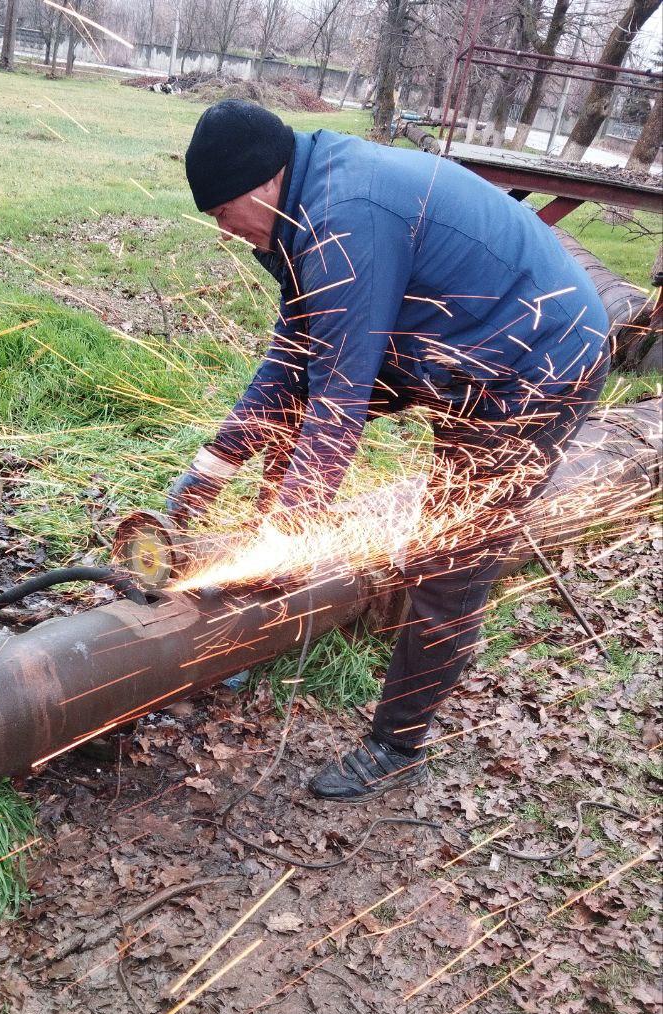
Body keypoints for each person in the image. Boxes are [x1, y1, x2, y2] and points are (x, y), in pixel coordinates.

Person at [167, 100, 609, 804]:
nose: (225, 232)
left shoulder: (347, 218)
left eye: (223, 215)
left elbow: (339, 402)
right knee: (292, 423)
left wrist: (291, 530)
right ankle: (255, 618)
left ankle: (397, 744)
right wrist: (207, 472)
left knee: (452, 554)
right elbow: (294, 362)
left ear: (258, 187)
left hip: (537, 366)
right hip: (460, 347)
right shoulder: (304, 207)